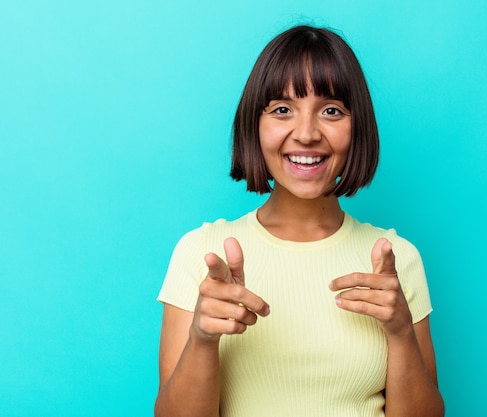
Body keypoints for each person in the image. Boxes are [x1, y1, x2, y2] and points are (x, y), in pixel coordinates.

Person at [154, 25, 444, 417]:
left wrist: (401, 332)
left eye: (331, 111)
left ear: (357, 128)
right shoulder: (201, 253)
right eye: (282, 110)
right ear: (253, 126)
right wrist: (202, 339)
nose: (306, 134)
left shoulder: (395, 260)